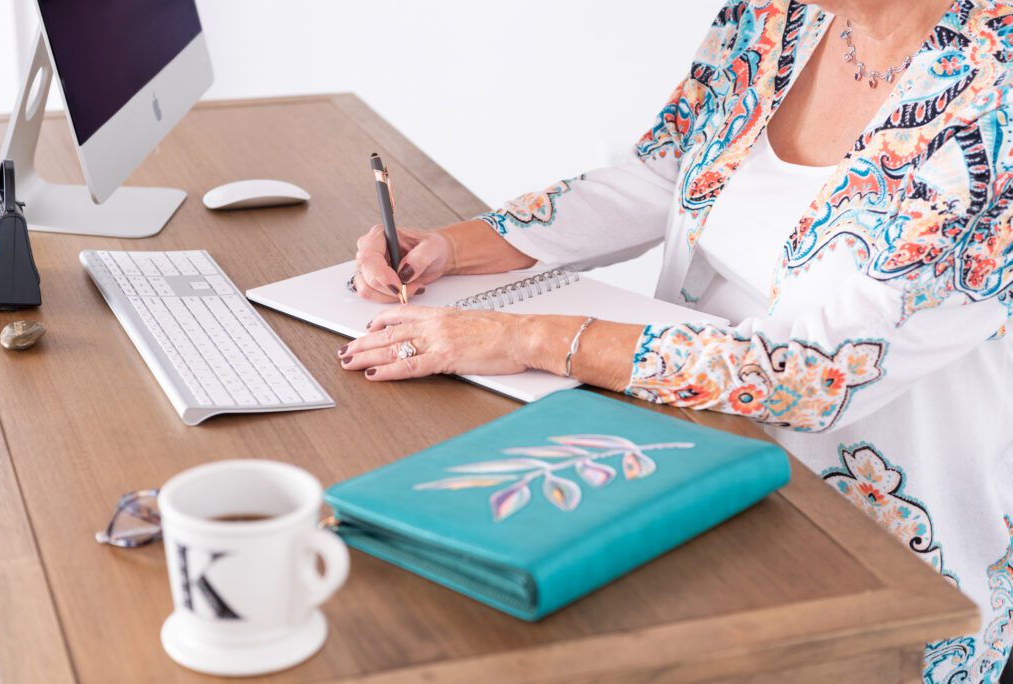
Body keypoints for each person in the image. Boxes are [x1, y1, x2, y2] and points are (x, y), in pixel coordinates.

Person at [341, 1, 1013, 680]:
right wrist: (455, 248)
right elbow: (661, 172)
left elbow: (817, 372)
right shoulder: (772, 14)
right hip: (688, 450)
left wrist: (527, 338)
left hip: (874, 557)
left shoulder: (998, 98)